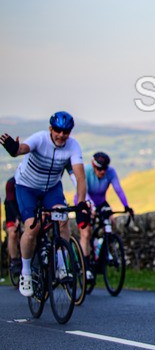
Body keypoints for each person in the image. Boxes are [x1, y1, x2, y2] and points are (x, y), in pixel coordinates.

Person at [0, 111, 89, 297]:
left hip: (51, 189)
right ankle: (25, 272)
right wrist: (13, 149)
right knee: (32, 227)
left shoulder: (73, 146)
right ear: (51, 129)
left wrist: (81, 203)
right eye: (57, 130)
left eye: (66, 132)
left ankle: (62, 264)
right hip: (26, 187)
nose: (61, 135)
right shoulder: (40, 139)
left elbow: (80, 177)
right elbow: (22, 149)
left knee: (63, 219)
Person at [73, 152, 134, 281]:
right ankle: (86, 267)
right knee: (86, 233)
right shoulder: (86, 171)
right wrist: (91, 207)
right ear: (93, 166)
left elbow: (118, 189)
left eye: (105, 169)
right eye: (99, 169)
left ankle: (105, 247)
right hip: (83, 201)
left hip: (101, 202)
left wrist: (126, 206)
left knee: (111, 221)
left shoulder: (110, 172)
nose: (102, 172)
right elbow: (83, 192)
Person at [4, 176, 21, 280]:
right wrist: (17, 218)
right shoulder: (11, 183)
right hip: (11, 207)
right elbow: (10, 203)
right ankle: (14, 260)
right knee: (13, 233)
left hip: (25, 204)